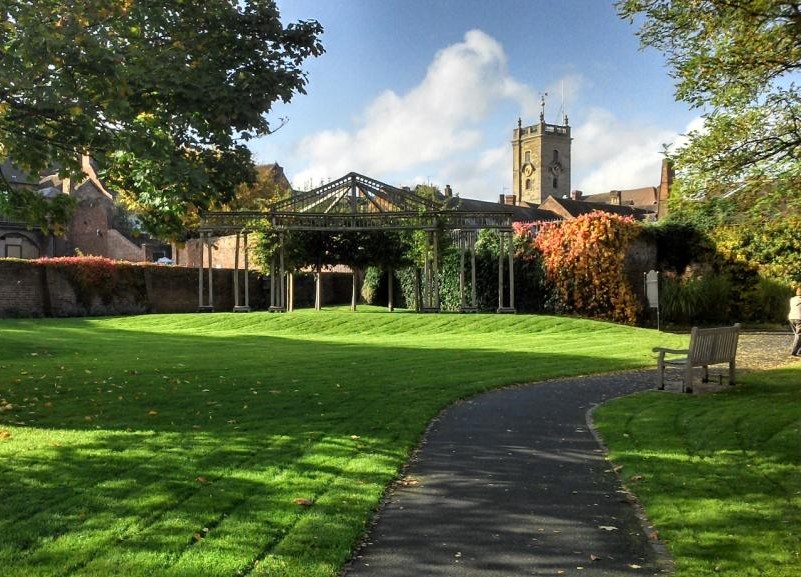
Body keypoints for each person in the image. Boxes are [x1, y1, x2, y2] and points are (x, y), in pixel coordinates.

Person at [790, 287, 801, 356]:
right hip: (799, 318)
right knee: (799, 335)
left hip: (791, 318)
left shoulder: (792, 299)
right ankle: (794, 352)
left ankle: (800, 351)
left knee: (798, 335)